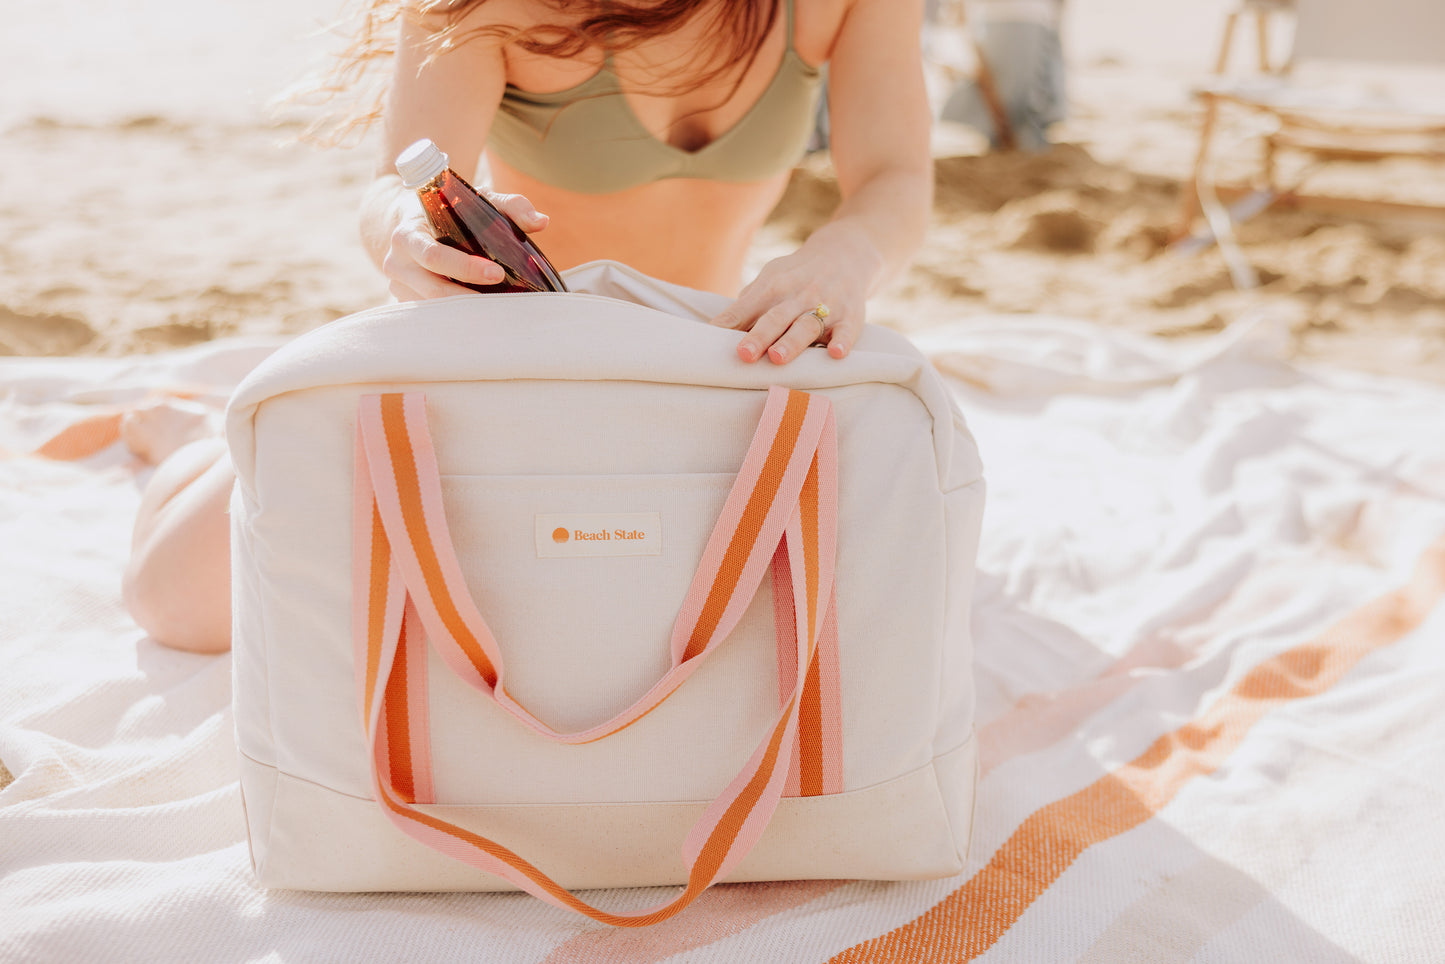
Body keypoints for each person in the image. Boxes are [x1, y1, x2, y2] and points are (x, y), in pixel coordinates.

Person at [122, 0, 934, 653]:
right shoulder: (485, 7)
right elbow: (394, 184)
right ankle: (192, 440)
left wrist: (845, 257)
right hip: (506, 351)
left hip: (704, 363)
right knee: (181, 604)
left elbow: (894, 176)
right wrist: (406, 231)